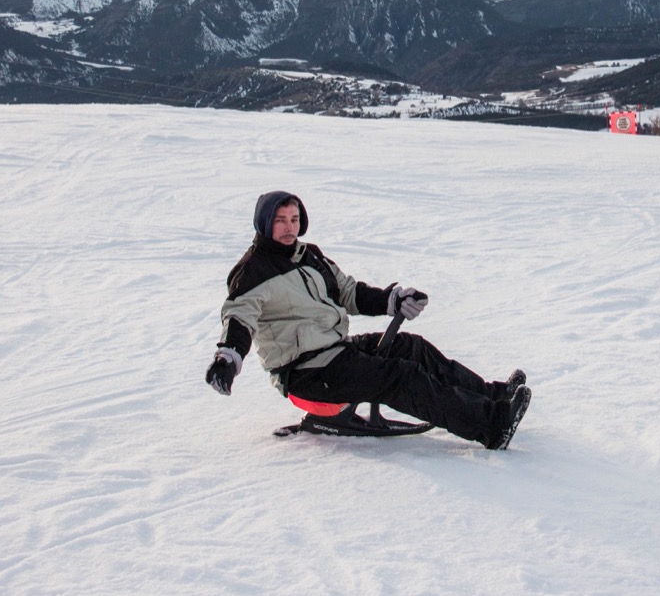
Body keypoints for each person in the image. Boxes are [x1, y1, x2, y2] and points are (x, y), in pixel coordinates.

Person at [204, 190, 532, 450]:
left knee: (410, 347)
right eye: (280, 220)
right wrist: (228, 358)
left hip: (337, 351)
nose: (289, 227)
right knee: (399, 377)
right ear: (264, 223)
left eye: (294, 219)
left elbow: (348, 292)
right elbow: (239, 316)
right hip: (305, 372)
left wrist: (393, 300)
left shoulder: (310, 255)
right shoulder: (253, 272)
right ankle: (491, 425)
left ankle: (494, 396)